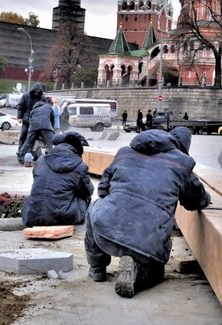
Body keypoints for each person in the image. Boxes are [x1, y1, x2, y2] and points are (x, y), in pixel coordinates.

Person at [85, 127, 211, 297]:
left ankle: (97, 268)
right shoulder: (182, 164)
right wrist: (206, 197)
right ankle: (137, 275)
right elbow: (196, 201)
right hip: (148, 244)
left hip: (106, 235)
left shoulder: (124, 153)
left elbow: (102, 190)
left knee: (93, 208)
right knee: (156, 273)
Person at [22, 132, 94, 227]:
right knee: (85, 197)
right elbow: (88, 192)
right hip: (63, 218)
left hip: (32, 216)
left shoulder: (41, 160)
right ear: (77, 150)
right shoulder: (79, 166)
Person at [17, 83, 46, 156]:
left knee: (33, 137)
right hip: (26, 120)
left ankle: (31, 152)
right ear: (33, 90)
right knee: (23, 135)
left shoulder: (42, 98)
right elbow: (20, 107)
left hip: (37, 121)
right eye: (35, 92)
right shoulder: (25, 96)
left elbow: (46, 108)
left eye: (38, 92)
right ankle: (20, 150)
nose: (36, 93)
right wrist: (19, 117)